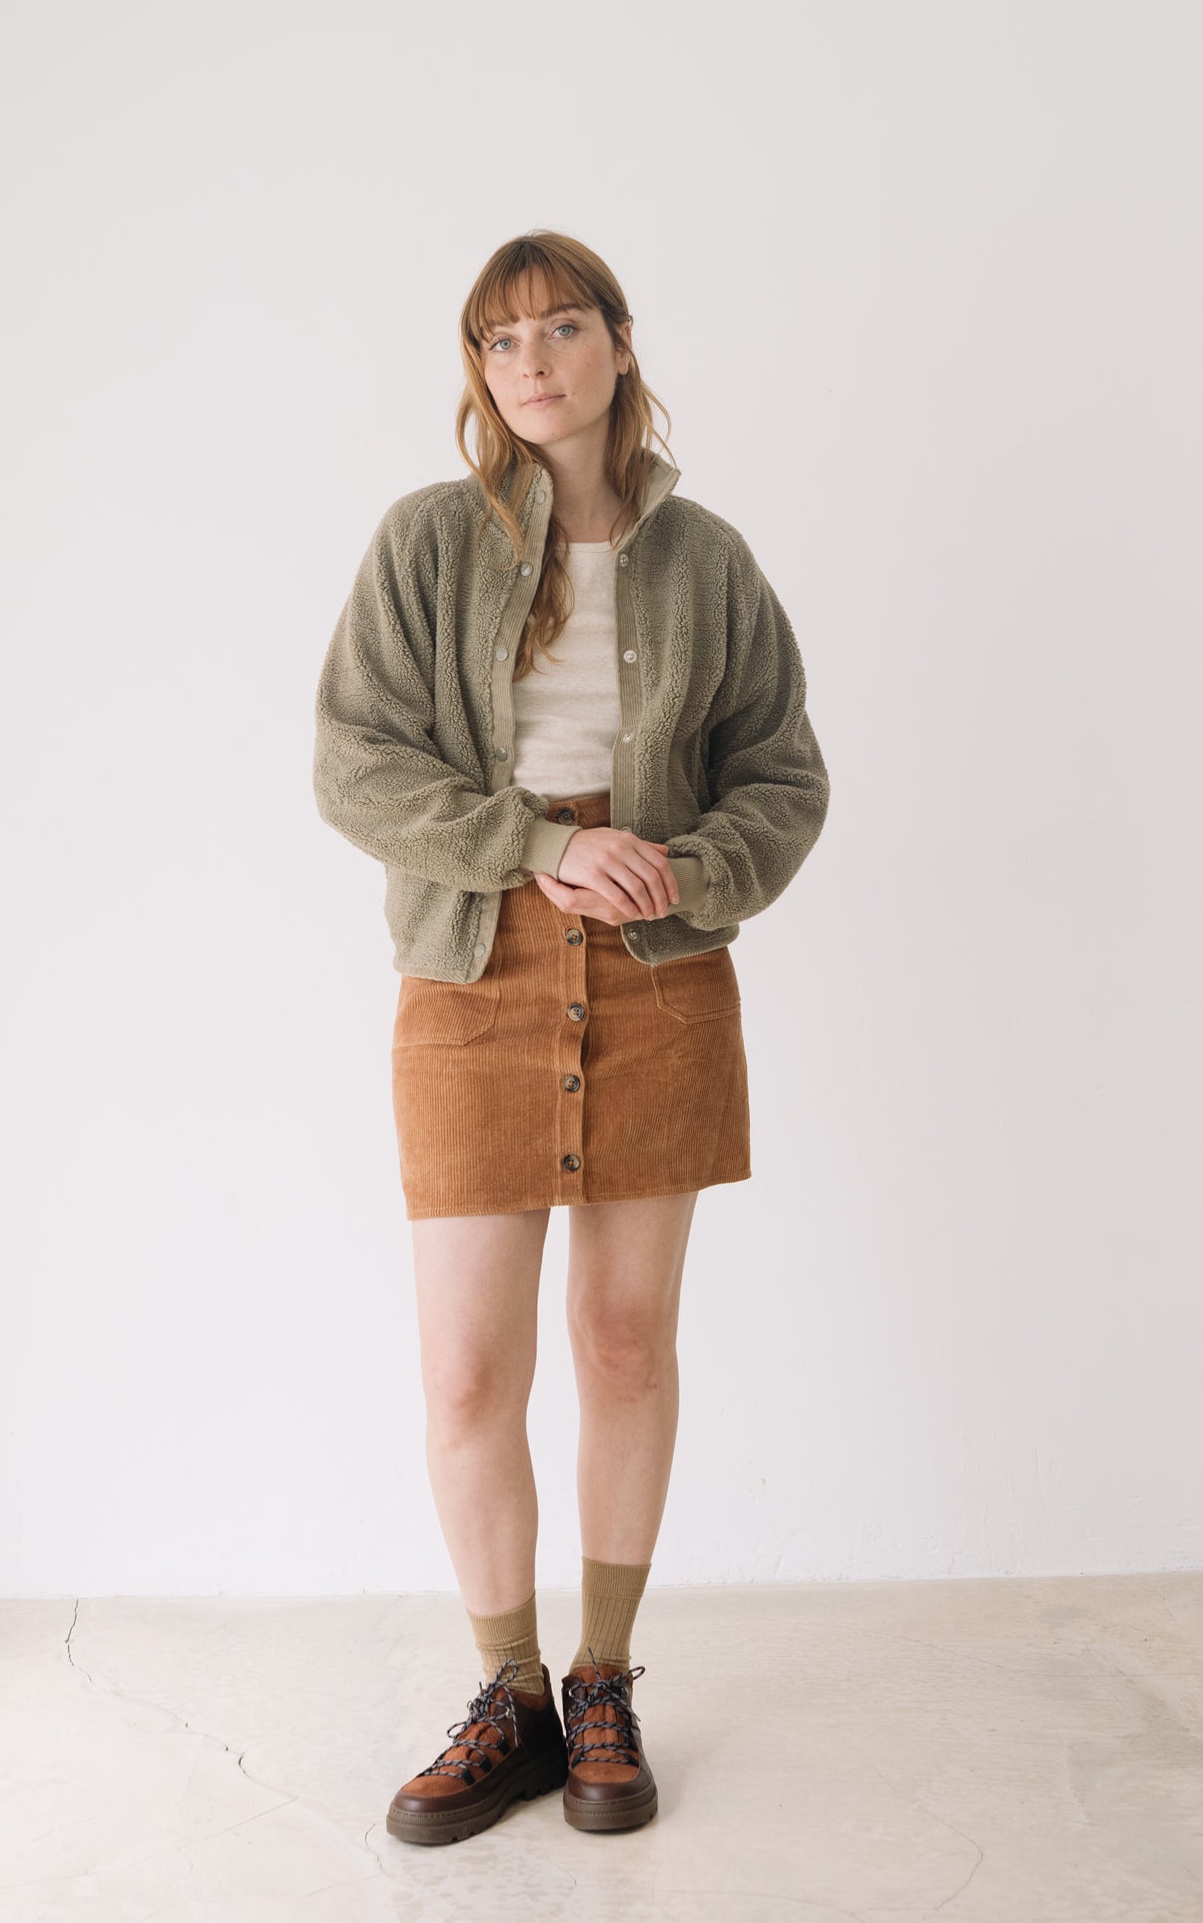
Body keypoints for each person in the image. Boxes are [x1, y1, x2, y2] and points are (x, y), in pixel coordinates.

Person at [312, 229, 830, 1845]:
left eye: (558, 328)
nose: (529, 362)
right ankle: (507, 1694)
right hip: (472, 967)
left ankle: (602, 1681)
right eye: (498, 339)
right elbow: (355, 764)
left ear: (617, 343)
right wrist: (536, 847)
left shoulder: (707, 560)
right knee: (467, 1368)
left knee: (621, 1345)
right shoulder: (427, 540)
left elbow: (783, 775)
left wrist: (692, 870)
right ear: (478, 370)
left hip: (659, 967)